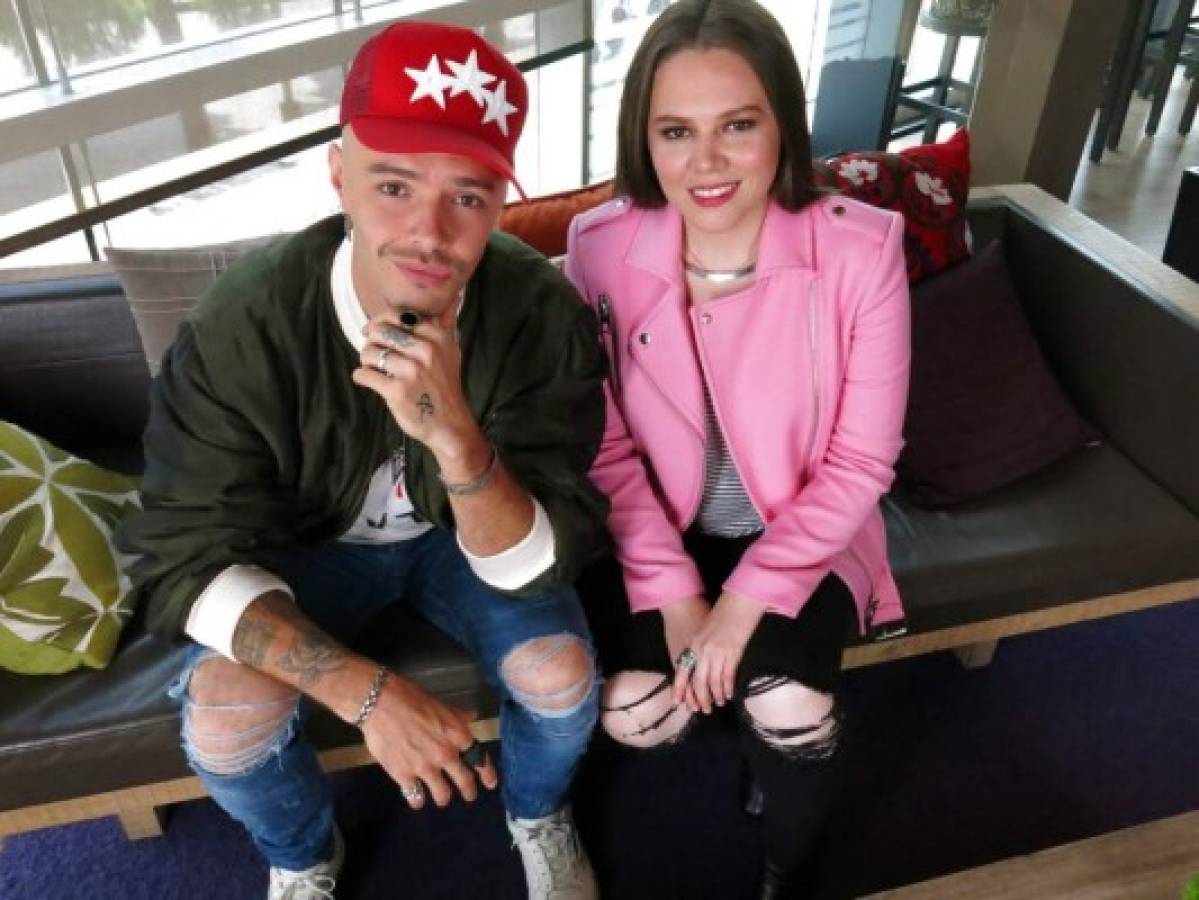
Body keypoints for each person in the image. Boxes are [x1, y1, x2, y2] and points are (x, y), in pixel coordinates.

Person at [118, 20, 608, 900]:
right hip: (305, 550)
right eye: (393, 185)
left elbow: (543, 556)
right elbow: (179, 565)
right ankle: (303, 857)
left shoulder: (540, 312)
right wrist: (368, 695)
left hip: (460, 539)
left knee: (561, 679)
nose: (429, 233)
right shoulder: (241, 326)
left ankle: (538, 814)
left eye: (467, 197)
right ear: (338, 175)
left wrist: (456, 437)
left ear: (499, 203)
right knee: (224, 722)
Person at [564, 1, 911, 896]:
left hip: (804, 534)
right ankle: (749, 735)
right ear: (643, 138)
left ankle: (787, 864)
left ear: (781, 125)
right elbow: (603, 449)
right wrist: (677, 594)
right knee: (635, 711)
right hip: (659, 532)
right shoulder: (596, 249)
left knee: (788, 706)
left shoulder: (862, 249)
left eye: (738, 126)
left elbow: (861, 464)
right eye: (676, 131)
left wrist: (741, 608)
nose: (706, 162)